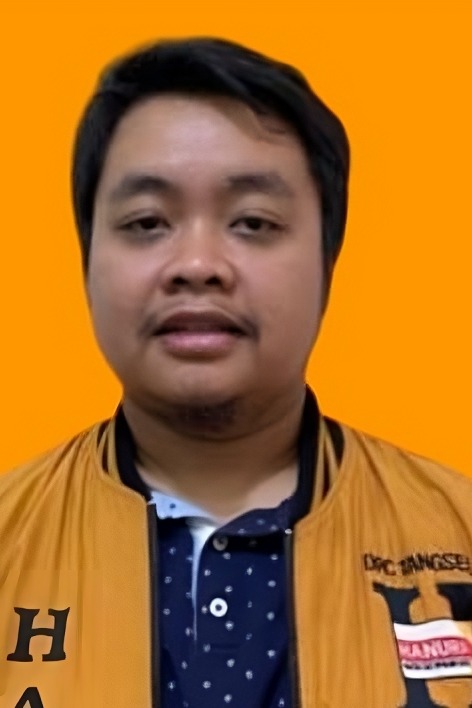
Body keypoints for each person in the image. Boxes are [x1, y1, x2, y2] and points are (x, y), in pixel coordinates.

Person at [0, 37, 471, 708]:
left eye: (252, 222)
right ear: (86, 259)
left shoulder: (458, 530)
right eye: (147, 222)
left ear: (328, 260)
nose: (198, 265)